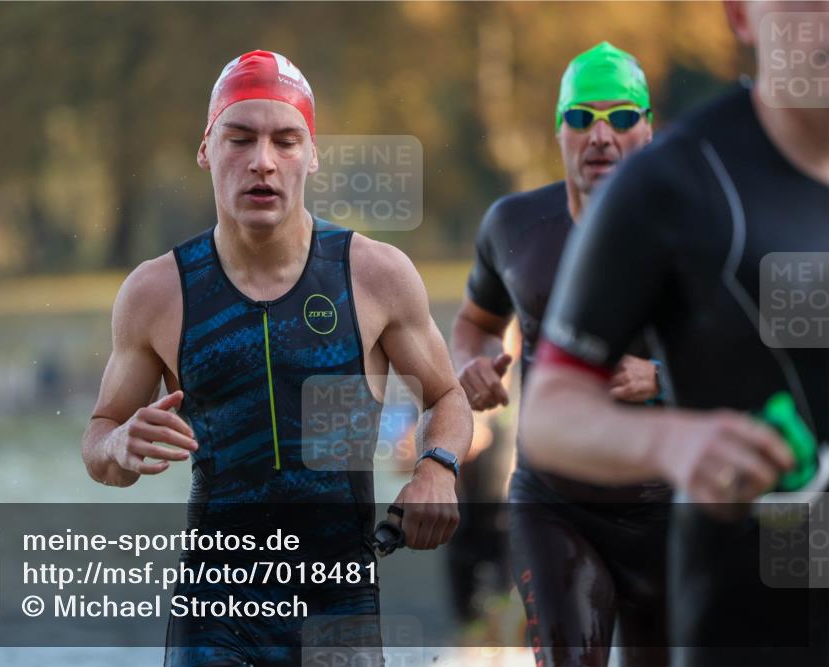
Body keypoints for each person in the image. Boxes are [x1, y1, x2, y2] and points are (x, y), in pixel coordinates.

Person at [81, 50, 472, 666]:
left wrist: (438, 467)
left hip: (337, 613)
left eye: (285, 141)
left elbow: (448, 397)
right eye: (241, 139)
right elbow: (100, 443)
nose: (263, 161)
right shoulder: (158, 293)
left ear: (310, 155)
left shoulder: (373, 275)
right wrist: (119, 444)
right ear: (207, 149)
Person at [521, 3, 829, 665]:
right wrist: (676, 441)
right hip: (748, 632)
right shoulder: (670, 184)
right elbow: (548, 414)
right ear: (742, 16)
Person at [452, 42, 670, 666]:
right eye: (581, 118)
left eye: (621, 117)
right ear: (559, 132)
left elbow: (754, 355)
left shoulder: (695, 224)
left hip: (670, 503)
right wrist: (471, 362)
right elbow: (474, 321)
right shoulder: (515, 226)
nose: (601, 135)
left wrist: (664, 376)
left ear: (648, 129)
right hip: (554, 502)